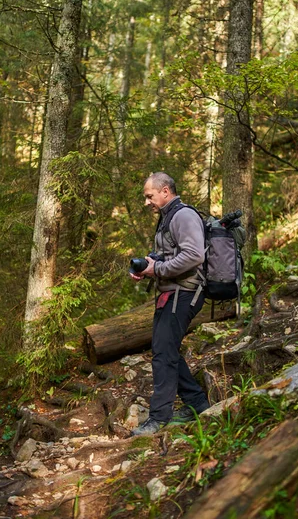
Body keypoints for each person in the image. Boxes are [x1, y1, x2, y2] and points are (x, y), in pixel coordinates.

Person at [130, 172, 210, 436]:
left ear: (165, 191)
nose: (147, 202)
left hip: (185, 293)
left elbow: (195, 255)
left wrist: (159, 269)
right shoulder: (168, 218)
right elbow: (169, 255)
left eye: (149, 196)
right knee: (166, 350)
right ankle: (197, 403)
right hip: (172, 293)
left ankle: (158, 419)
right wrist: (147, 268)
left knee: (163, 353)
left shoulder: (183, 215)